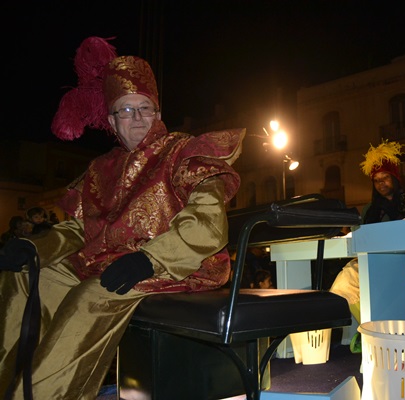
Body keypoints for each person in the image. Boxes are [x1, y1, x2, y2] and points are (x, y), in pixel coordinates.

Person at [0, 36, 244, 400]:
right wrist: (35, 249)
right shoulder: (101, 168)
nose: (138, 118)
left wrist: (151, 258)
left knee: (91, 296)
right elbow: (80, 228)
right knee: (26, 279)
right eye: (126, 111)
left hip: (174, 264)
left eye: (145, 108)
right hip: (106, 260)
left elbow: (207, 222)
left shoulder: (183, 152)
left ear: (158, 113)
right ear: (112, 122)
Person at [329, 141, 405, 351]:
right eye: (376, 180)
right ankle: (372, 333)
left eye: (385, 177)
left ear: (395, 178)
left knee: (363, 281)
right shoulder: (369, 210)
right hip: (373, 263)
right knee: (344, 281)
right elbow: (362, 238)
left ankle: (377, 337)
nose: (381, 183)